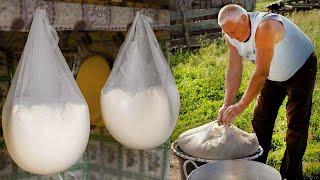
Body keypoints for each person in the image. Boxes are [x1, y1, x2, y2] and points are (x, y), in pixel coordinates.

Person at [216, 4, 317, 180]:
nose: (232, 37)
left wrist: (240, 106)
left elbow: (260, 72)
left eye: (233, 31)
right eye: (227, 33)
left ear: (244, 18)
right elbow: (234, 70)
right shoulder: (231, 34)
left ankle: (291, 173)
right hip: (272, 73)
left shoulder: (265, 27)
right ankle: (256, 169)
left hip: (301, 68)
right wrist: (227, 103)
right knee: (261, 120)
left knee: (296, 125)